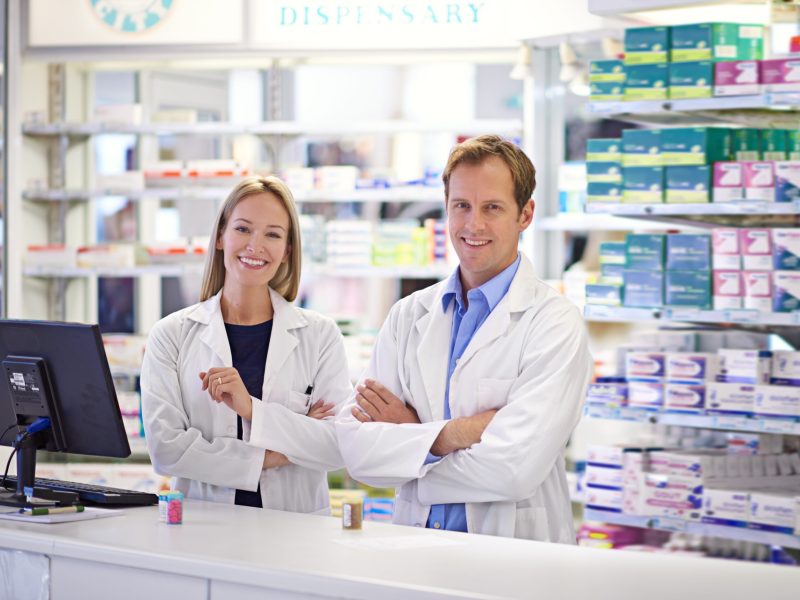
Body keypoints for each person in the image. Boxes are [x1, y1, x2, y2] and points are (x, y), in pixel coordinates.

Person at [335, 135, 592, 542]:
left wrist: (412, 443)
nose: (474, 225)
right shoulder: (408, 316)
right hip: (416, 548)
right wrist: (455, 434)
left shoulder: (554, 323)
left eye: (493, 207)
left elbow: (513, 470)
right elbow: (358, 452)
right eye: (462, 206)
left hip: (510, 556)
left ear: (525, 214)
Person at [142, 176, 352, 514]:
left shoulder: (319, 336)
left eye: (273, 234)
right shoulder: (171, 335)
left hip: (295, 531)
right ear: (221, 236)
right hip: (204, 528)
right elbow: (166, 451)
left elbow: (337, 446)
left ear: (287, 251)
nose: (255, 246)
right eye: (243, 229)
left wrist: (252, 409)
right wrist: (278, 453)